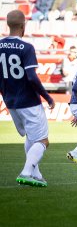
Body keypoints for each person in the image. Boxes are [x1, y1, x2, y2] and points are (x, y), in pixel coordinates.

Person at [0, 10, 55, 187]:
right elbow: (31, 76)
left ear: (7, 25)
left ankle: (36, 174)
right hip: (29, 101)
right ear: (24, 26)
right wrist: (47, 97)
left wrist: (5, 96)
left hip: (11, 101)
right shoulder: (26, 47)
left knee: (31, 138)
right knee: (43, 140)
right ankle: (25, 172)